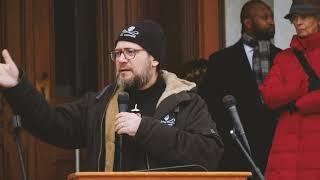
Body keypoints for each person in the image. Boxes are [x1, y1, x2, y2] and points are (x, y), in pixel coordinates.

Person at [0, 20, 223, 171]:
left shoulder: (185, 101)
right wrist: (18, 87)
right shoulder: (100, 104)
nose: (121, 59)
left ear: (154, 59)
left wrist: (144, 129)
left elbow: (209, 153)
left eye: (131, 52)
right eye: (117, 53)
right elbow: (51, 123)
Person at [198, 0, 281, 173]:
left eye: (271, 17)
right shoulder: (221, 60)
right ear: (248, 22)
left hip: (276, 146)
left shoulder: (282, 57)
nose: (271, 21)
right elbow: (210, 104)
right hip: (237, 150)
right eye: (265, 17)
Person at [260, 0, 320, 179]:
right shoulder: (284, 57)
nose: (298, 22)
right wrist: (301, 88)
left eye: (304, 17)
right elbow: (268, 96)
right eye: (294, 18)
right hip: (286, 143)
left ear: (318, 19)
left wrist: (299, 103)